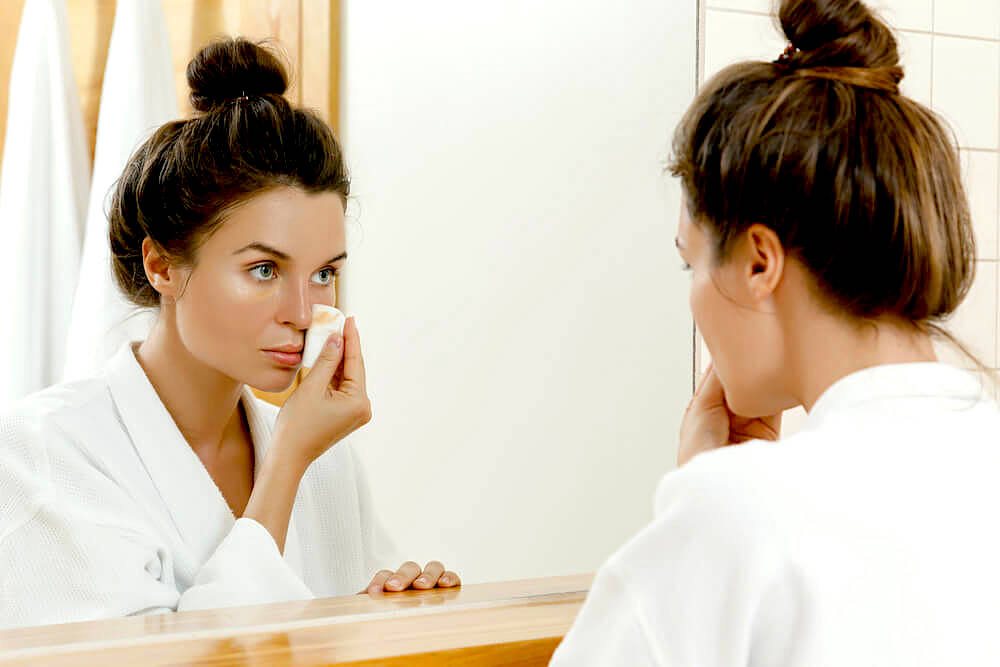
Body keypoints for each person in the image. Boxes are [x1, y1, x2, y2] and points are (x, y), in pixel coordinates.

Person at [551, 0, 1000, 663]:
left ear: (760, 262)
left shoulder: (738, 513)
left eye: (690, 260)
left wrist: (708, 506)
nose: (693, 297)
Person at [0, 38, 458, 630]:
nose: (303, 311)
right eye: (264, 270)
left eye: (325, 273)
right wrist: (288, 458)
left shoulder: (326, 464)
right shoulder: (40, 456)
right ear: (162, 265)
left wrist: (396, 611)